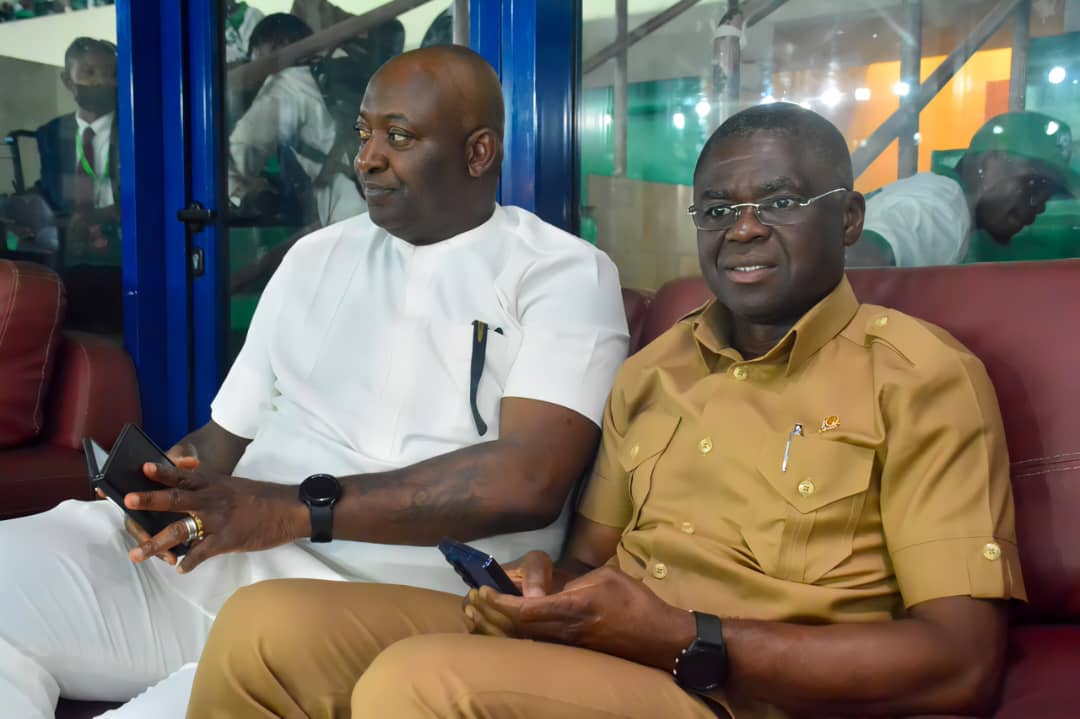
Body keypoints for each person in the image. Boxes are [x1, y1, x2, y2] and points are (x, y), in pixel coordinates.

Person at [187, 103, 1026, 719]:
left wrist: (682, 635)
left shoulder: (921, 379)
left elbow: (959, 664)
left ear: (847, 219)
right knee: (268, 624)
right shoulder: (654, 369)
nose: (743, 231)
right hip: (618, 649)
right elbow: (588, 562)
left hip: (740, 689)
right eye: (719, 210)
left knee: (418, 686)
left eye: (778, 203)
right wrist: (546, 588)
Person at [0, 45, 629, 719]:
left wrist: (287, 508)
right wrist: (166, 490)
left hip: (383, 596)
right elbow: (222, 437)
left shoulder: (561, 274)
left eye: (399, 136)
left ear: (479, 153)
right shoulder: (317, 255)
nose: (367, 158)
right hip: (226, 554)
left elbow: (527, 481)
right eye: (363, 133)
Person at [848, 110, 1077, 267]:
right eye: (1033, 185)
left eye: (1047, 196)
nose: (1038, 206)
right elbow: (852, 260)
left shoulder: (945, 200)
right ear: (988, 165)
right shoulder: (941, 208)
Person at [227, 13, 366, 228]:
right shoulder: (348, 62)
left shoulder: (285, 84)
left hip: (348, 221)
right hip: (386, 211)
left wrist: (241, 193)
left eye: (257, 62)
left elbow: (239, 155)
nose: (258, 80)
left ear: (279, 46)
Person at [34, 36, 123, 333]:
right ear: (67, 80)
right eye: (89, 73)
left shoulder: (136, 128)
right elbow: (50, 191)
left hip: (123, 250)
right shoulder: (51, 133)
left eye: (111, 74)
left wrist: (102, 216)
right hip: (68, 253)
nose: (101, 83)